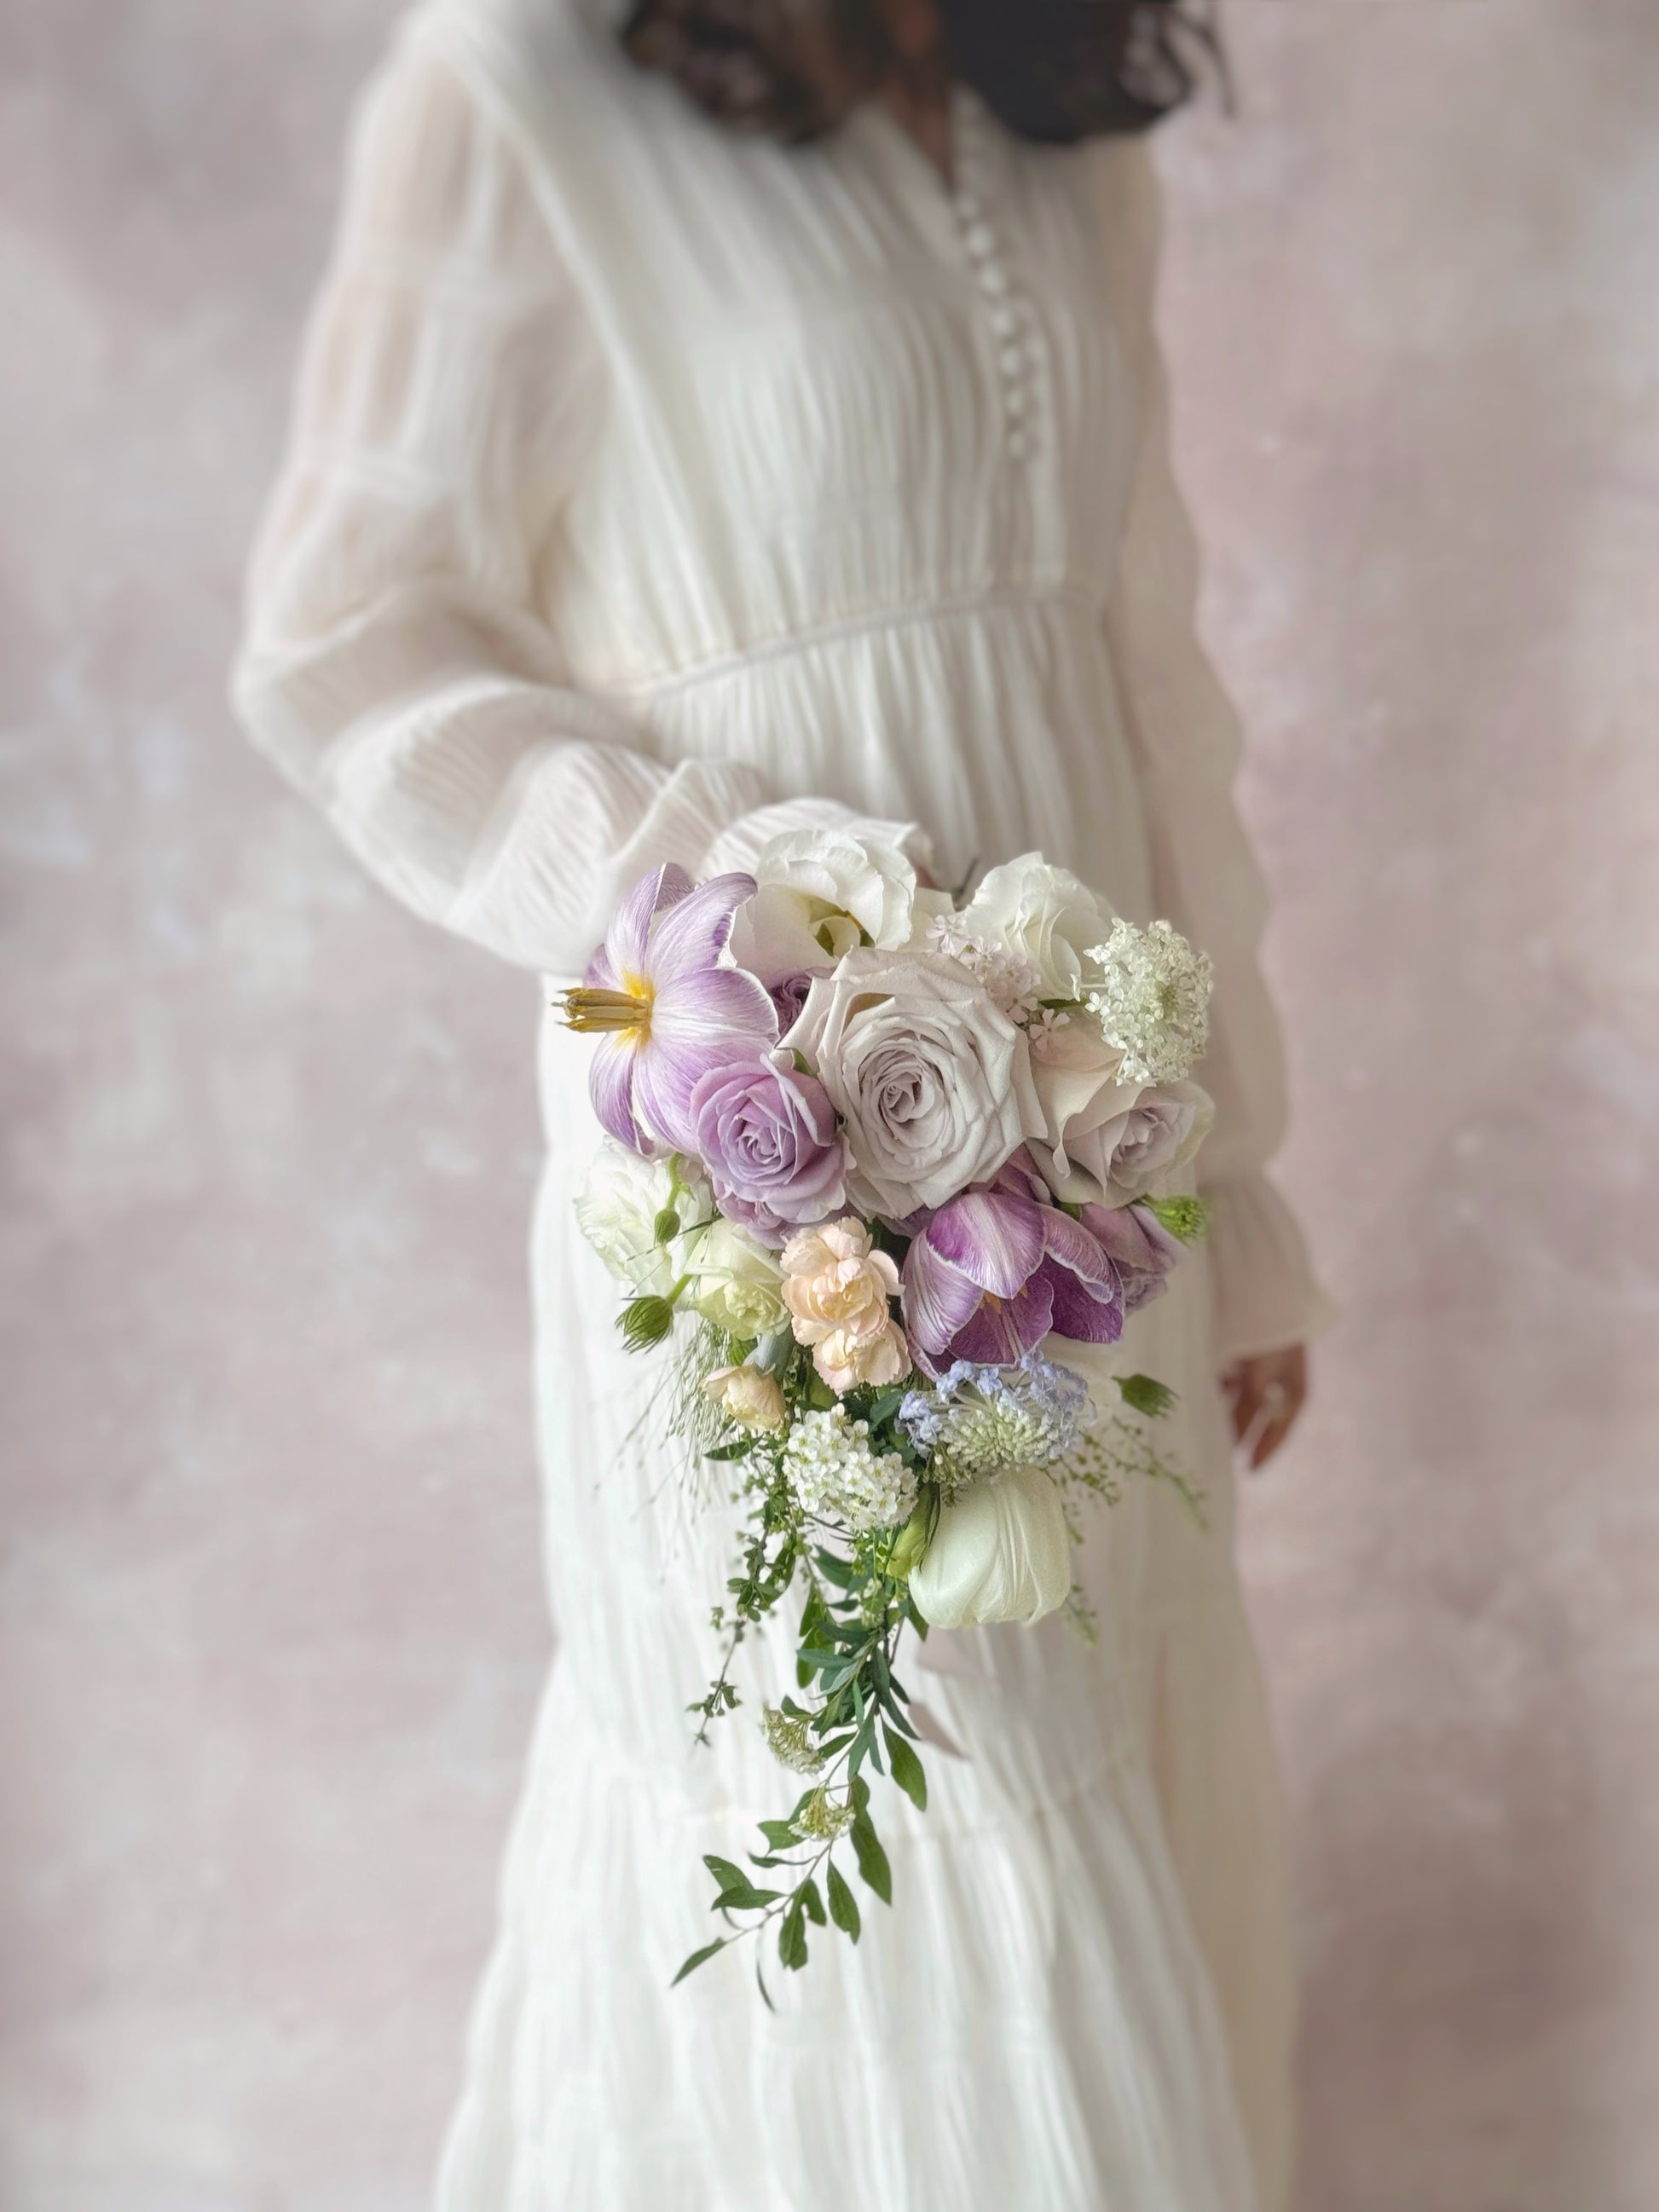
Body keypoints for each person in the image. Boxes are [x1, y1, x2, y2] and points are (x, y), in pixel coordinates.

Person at [233, 1, 1333, 2203]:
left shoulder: (1051, 117)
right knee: (889, 1801)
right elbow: (346, 637)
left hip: (1073, 1179)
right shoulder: (518, 89)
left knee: (1084, 1745)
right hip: (768, 1178)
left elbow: (1144, 676)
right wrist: (719, 910)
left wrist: (1229, 1178)